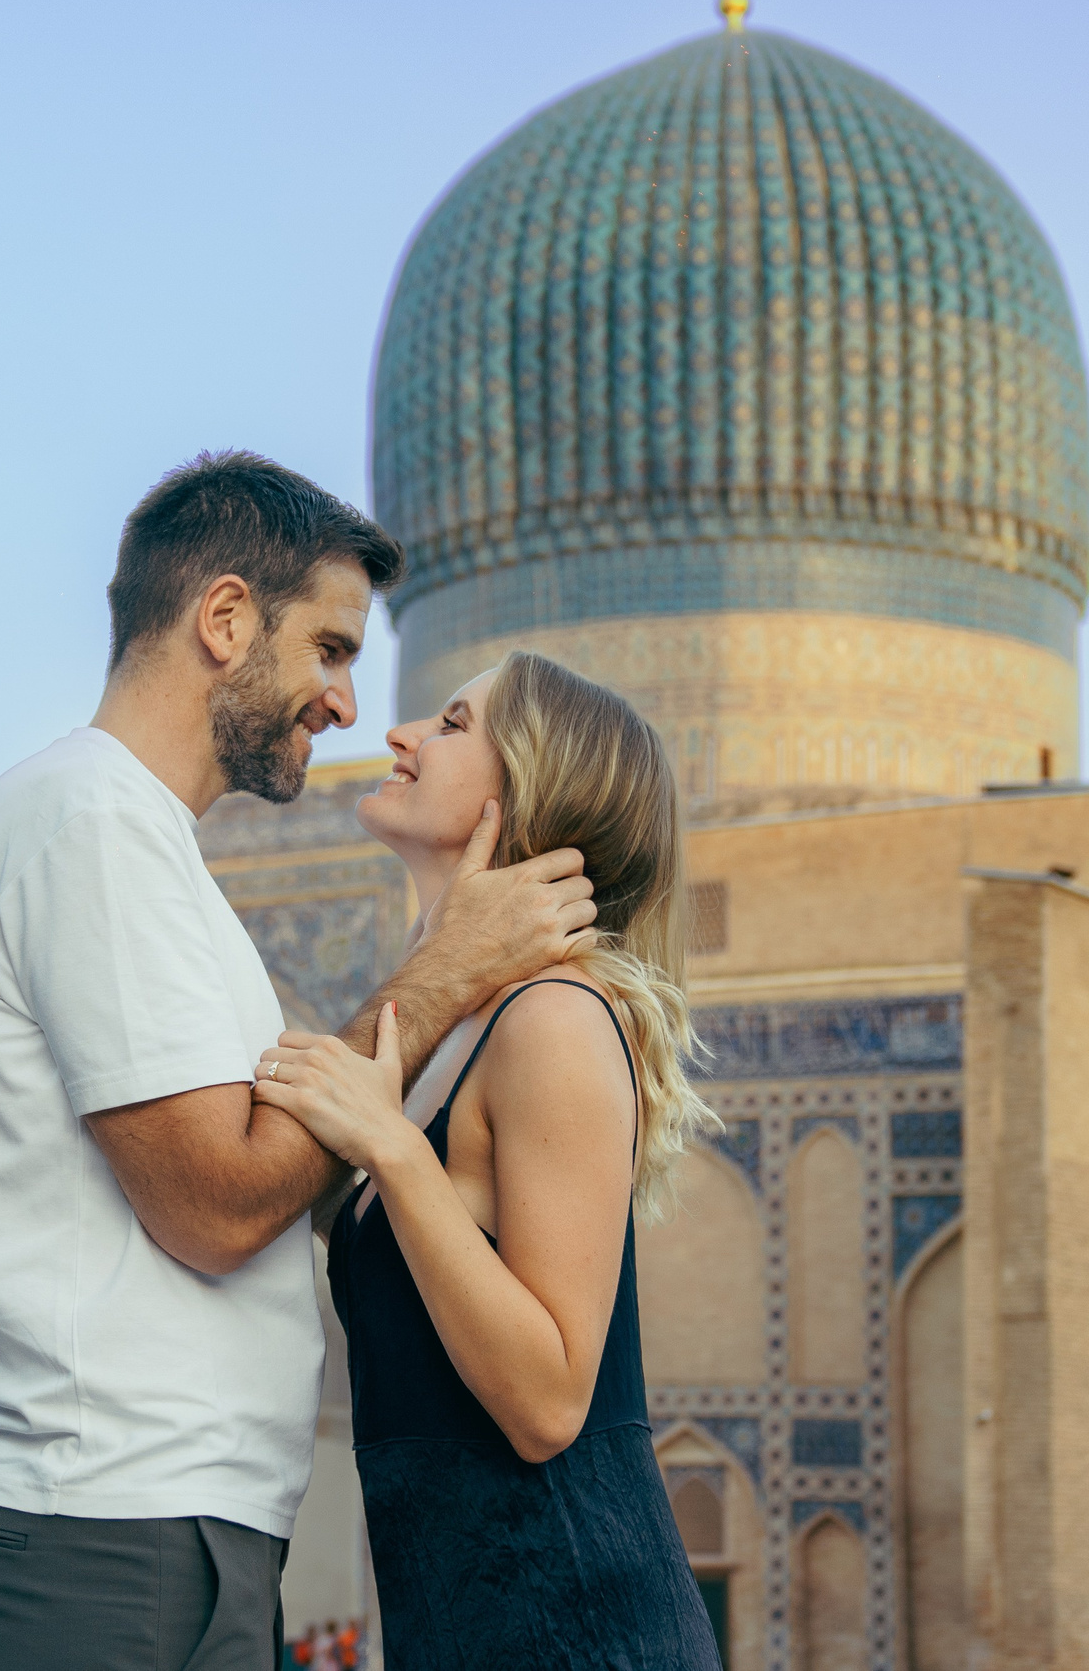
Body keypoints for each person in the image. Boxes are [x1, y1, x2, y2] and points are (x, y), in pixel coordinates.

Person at [0, 454, 598, 1671]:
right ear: (224, 619)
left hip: (157, 1527)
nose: (344, 706)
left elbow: (267, 1178)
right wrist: (444, 967)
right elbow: (219, 1204)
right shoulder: (89, 828)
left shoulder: (145, 854)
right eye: (329, 648)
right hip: (100, 1533)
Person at [255, 652, 724, 1670]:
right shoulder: (455, 1035)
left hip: (580, 1629)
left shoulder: (551, 1019)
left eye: (453, 722)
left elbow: (552, 1399)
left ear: (520, 793)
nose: (401, 734)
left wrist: (385, 1145)